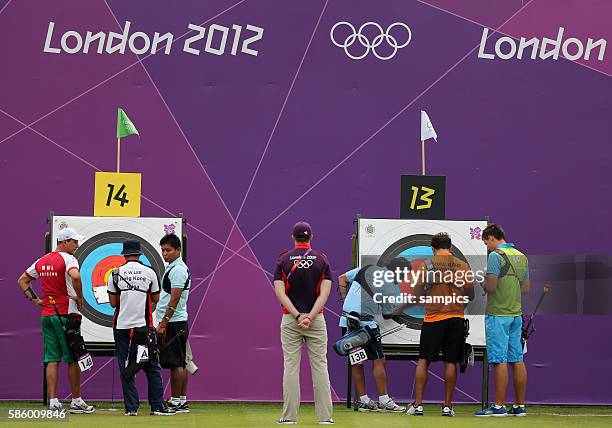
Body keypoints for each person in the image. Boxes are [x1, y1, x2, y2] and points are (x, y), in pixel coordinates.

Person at [17, 227, 95, 414]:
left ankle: (53, 401)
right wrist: (80, 296)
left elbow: (22, 280)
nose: (77, 245)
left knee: (51, 358)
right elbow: (75, 276)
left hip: (47, 315)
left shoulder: (41, 260)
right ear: (64, 242)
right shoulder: (69, 259)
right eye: (74, 241)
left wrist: (35, 300)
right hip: (66, 314)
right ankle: (76, 401)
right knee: (72, 358)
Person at [406, 232, 475, 417]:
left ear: (433, 249)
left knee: (424, 360)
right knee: (450, 361)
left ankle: (418, 405)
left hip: (433, 319)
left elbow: (418, 293)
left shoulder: (427, 265)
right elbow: (471, 295)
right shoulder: (462, 265)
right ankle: (447, 406)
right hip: (456, 318)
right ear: (450, 247)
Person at [273, 222, 334, 425]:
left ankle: (289, 417)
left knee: (290, 367)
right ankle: (325, 418)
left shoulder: (283, 260)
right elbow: (325, 294)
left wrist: (298, 316)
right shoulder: (321, 260)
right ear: (311, 237)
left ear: (293, 237)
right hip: (316, 320)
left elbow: (280, 293)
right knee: (320, 367)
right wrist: (311, 316)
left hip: (291, 319)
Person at [107, 240, 175, 416]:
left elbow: (113, 303)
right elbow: (156, 299)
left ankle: (131, 408)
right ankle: (157, 407)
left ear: (124, 254)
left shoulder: (115, 273)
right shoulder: (149, 272)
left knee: (125, 365)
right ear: (139, 254)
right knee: (151, 365)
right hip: (143, 328)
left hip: (121, 327)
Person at [337, 259, 409, 413]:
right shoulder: (392, 285)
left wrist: (345, 301)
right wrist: (407, 304)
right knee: (379, 360)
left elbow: (342, 278)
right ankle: (384, 401)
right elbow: (388, 313)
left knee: (357, 361)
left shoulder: (367, 268)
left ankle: (363, 401)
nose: (403, 280)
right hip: (366, 325)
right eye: (404, 276)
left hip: (347, 320)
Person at [475, 224, 529, 417]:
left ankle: (498, 406)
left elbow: (490, 287)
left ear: (491, 238)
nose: (487, 247)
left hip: (498, 314)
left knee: (499, 360)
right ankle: (519, 406)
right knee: (517, 359)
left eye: (486, 243)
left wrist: (482, 282)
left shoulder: (495, 256)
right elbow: (525, 288)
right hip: (516, 314)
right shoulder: (521, 256)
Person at [155, 233, 191, 413]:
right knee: (180, 362)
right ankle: (181, 400)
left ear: (178, 250)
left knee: (177, 363)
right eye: (162, 250)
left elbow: (175, 299)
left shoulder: (177, 270)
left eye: (168, 250)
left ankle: (177, 400)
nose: (164, 253)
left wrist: (163, 323)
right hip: (175, 322)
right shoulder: (174, 267)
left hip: (173, 323)